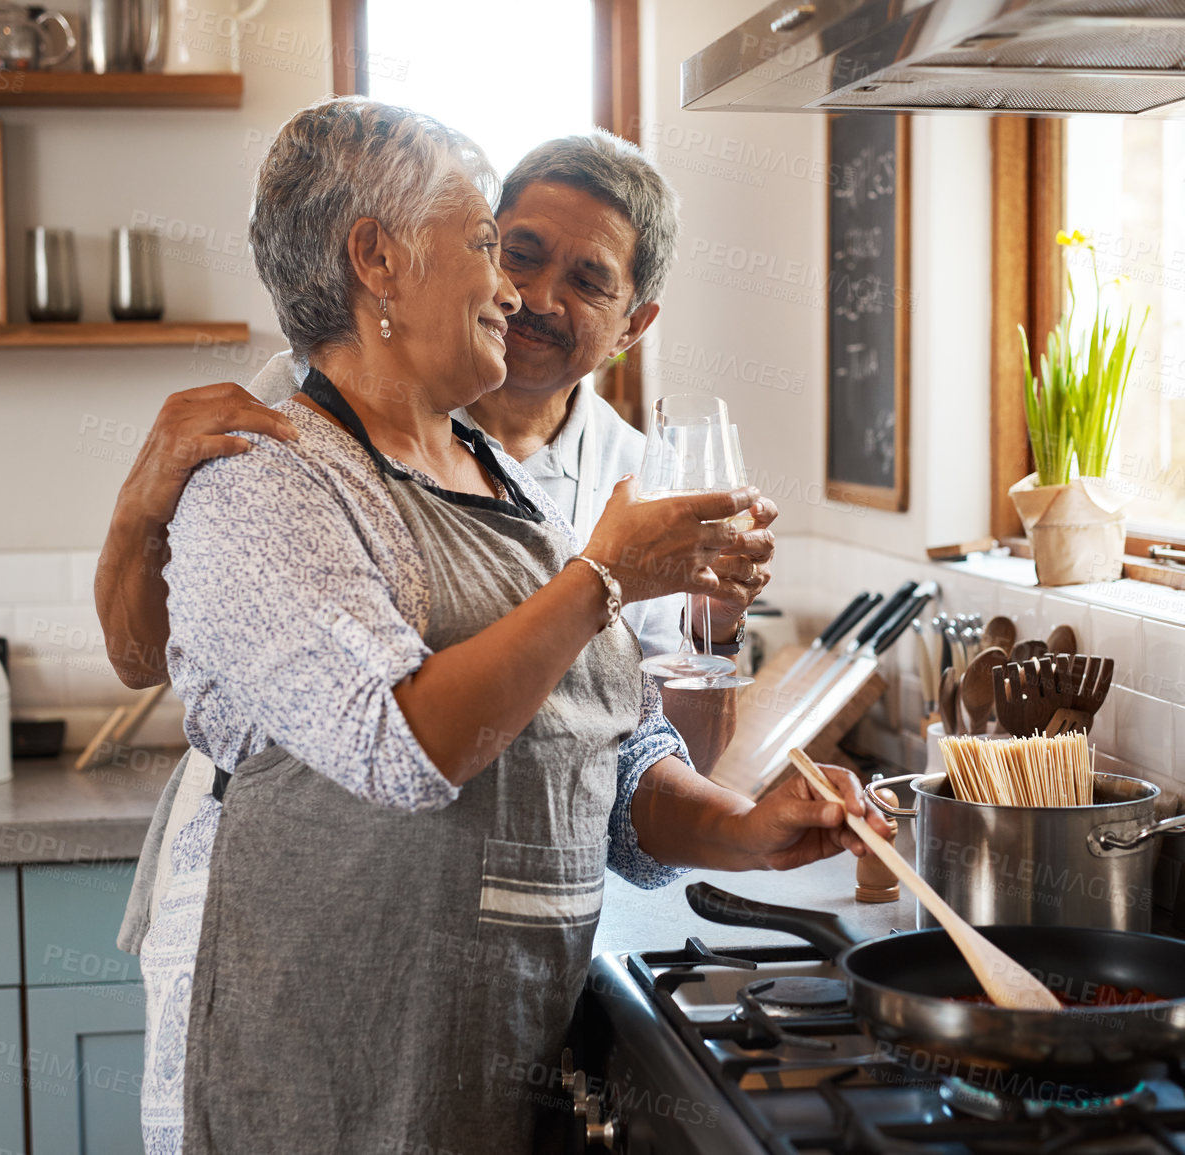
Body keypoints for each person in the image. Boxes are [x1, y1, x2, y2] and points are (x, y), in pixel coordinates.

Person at [137, 96, 886, 1154]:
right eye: (493, 245)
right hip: (334, 1036)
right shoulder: (272, 468)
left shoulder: (495, 475)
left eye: (577, 276)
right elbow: (397, 746)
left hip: (487, 1026)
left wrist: (740, 831)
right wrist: (599, 578)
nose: (515, 291)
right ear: (377, 259)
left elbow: (609, 748)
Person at [94, 132, 770, 774]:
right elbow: (142, 660)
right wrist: (137, 511)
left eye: (588, 281)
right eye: (518, 252)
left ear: (633, 325)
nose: (533, 297)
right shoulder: (303, 400)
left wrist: (716, 626)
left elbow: (672, 763)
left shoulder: (646, 485)